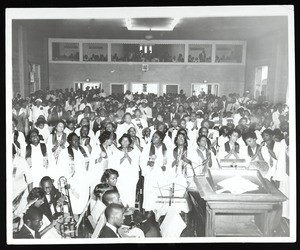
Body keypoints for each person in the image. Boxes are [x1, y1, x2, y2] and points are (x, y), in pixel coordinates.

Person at [57, 133, 91, 215]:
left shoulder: (84, 149)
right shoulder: (64, 152)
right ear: (69, 141)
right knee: (74, 203)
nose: (76, 141)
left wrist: (89, 180)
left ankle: (82, 220)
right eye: (74, 139)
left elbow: (89, 165)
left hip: (84, 180)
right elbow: (61, 168)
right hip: (72, 181)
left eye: (77, 139)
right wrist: (66, 183)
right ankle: (74, 220)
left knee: (83, 202)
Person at [140, 131, 172, 214]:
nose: (153, 138)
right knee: (150, 194)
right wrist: (148, 164)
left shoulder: (166, 148)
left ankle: (161, 213)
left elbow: (170, 161)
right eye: (153, 136)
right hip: (151, 173)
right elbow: (142, 161)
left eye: (156, 137)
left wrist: (166, 168)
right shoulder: (147, 147)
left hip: (162, 175)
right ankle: (150, 213)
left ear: (161, 139)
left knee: (162, 193)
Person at [111, 134, 140, 208]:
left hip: (130, 176)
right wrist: (124, 157)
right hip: (120, 176)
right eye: (123, 140)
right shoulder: (116, 151)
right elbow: (114, 164)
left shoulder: (134, 151)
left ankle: (130, 211)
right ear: (120, 141)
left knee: (130, 193)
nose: (124, 142)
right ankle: (121, 210)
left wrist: (128, 157)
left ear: (129, 142)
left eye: (126, 141)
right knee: (121, 193)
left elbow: (136, 165)